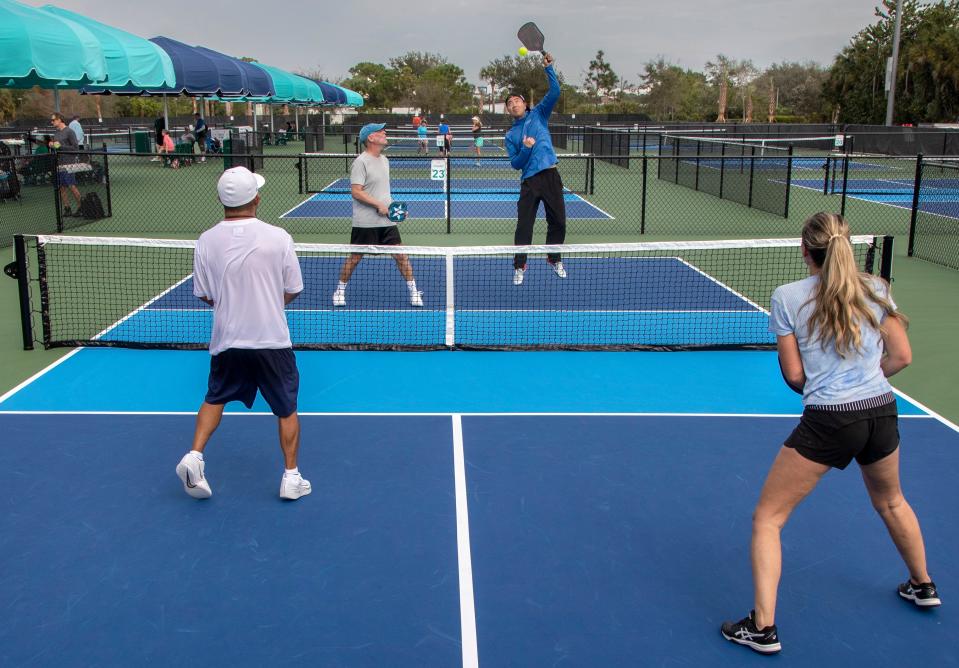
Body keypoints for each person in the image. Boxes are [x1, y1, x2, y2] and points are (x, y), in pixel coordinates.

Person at [721, 212, 939, 655]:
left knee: (768, 519)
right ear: (847, 245)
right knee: (893, 501)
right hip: (881, 411)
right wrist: (863, 382)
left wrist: (830, 389)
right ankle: (923, 584)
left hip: (829, 420)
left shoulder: (787, 297)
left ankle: (762, 628)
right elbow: (902, 356)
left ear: (806, 251)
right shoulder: (876, 288)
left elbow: (794, 375)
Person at [176, 166, 311, 501]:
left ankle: (194, 456)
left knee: (215, 397)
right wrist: (267, 304)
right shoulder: (279, 237)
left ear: (221, 200)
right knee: (286, 408)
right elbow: (293, 288)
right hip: (271, 340)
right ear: (257, 199)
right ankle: (291, 477)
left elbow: (206, 294)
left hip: (227, 340)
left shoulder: (206, 241)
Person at [332, 123, 422, 308]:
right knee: (355, 258)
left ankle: (414, 292)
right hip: (365, 223)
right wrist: (378, 205)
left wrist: (396, 210)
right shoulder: (361, 162)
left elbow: (384, 192)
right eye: (380, 131)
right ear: (371, 138)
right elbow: (356, 192)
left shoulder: (384, 160)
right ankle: (339, 291)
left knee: (401, 256)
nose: (384, 132)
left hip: (386, 222)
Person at [504, 52, 567, 286]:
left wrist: (549, 68)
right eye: (509, 104)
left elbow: (555, 93)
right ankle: (519, 266)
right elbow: (515, 164)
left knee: (559, 222)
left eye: (516, 101)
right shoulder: (511, 135)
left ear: (524, 102)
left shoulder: (539, 114)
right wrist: (526, 149)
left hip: (550, 175)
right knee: (523, 227)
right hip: (529, 182)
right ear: (509, 110)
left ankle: (554, 258)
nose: (513, 104)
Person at [49, 113, 83, 217]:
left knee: (71, 186)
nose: (52, 122)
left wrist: (60, 146)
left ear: (59, 120)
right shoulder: (56, 133)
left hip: (69, 163)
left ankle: (81, 207)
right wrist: (51, 145)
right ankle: (67, 208)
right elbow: (57, 147)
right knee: (61, 187)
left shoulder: (69, 131)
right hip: (59, 163)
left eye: (53, 120)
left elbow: (75, 148)